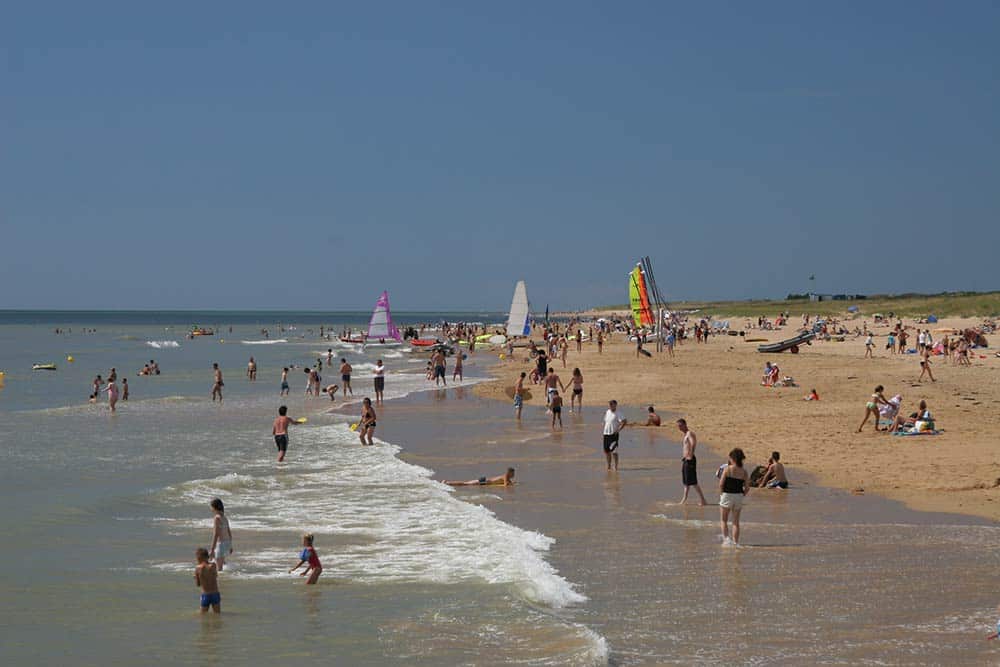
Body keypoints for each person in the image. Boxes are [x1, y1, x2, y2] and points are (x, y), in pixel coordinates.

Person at [719, 448, 749, 547]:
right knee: (736, 522)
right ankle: (736, 543)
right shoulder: (744, 471)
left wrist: (722, 493)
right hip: (738, 496)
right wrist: (742, 494)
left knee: (724, 520)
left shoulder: (727, 469)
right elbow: (747, 488)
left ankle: (726, 541)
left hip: (727, 495)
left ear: (733, 458)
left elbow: (721, 484)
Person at [677, 418, 707, 505]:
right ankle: (684, 499)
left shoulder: (689, 433)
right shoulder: (685, 434)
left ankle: (703, 500)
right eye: (678, 426)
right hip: (686, 460)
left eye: (680, 426)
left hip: (690, 460)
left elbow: (693, 443)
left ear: (685, 424)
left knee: (693, 481)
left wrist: (690, 454)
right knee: (686, 481)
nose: (679, 428)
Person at [194, 547, 221, 613]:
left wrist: (196, 577)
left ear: (199, 558)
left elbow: (198, 584)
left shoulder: (197, 568)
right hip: (215, 593)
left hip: (205, 595)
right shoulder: (213, 565)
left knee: (203, 617)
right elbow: (215, 576)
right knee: (217, 614)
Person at [209, 498, 233, 570]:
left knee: (219, 569)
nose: (211, 509)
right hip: (227, 543)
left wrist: (212, 550)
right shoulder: (225, 518)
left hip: (221, 544)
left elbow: (216, 534)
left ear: (214, 507)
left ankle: (223, 581)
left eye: (211, 507)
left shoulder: (217, 518)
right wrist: (230, 546)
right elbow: (229, 532)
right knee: (222, 563)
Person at [602, 400, 626, 471]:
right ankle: (608, 466)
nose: (610, 406)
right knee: (606, 451)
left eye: (611, 404)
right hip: (606, 434)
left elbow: (624, 421)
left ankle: (616, 467)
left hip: (613, 435)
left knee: (614, 452)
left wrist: (618, 430)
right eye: (609, 404)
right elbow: (606, 422)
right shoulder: (607, 412)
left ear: (615, 405)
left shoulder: (618, 413)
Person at [445, 468, 516, 486]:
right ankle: (448, 483)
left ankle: (448, 483)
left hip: (484, 481)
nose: (514, 475)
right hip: (484, 481)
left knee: (466, 483)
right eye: (513, 473)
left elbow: (508, 483)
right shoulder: (506, 476)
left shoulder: (507, 478)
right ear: (509, 473)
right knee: (465, 484)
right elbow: (505, 485)